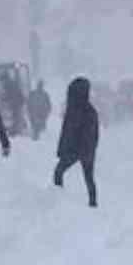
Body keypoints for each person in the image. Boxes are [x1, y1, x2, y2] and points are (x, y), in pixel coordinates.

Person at [53, 77, 100, 207]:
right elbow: (95, 134)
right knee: (89, 177)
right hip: (87, 150)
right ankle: (93, 203)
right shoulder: (91, 111)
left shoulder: (74, 110)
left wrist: (62, 150)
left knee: (58, 171)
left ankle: (57, 199)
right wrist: (92, 148)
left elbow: (67, 132)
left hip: (74, 150)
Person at [2, 70, 27, 135]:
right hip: (16, 103)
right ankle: (16, 129)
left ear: (5, 78)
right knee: (16, 116)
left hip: (16, 103)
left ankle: (15, 131)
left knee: (16, 117)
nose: (2, 82)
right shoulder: (11, 83)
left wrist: (6, 99)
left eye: (2, 80)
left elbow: (11, 94)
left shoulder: (9, 84)